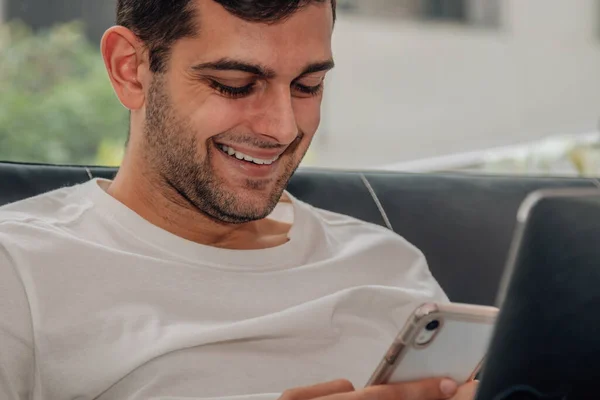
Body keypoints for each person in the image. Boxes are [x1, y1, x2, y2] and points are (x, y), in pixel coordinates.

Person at [0, 1, 477, 399]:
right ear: (130, 70)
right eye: (234, 83)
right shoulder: (20, 267)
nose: (283, 127)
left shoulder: (388, 263)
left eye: (308, 86)